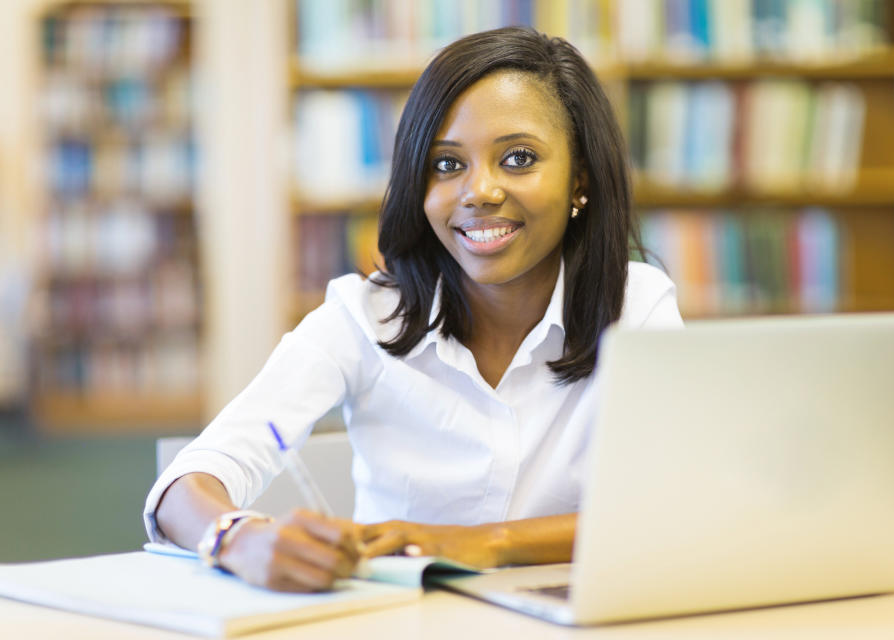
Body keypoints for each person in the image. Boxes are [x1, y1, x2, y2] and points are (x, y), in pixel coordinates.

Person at [145, 26, 683, 592]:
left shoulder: (637, 307)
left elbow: (674, 505)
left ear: (580, 180)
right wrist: (235, 537)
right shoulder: (363, 317)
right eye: (448, 165)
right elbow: (186, 484)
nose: (478, 192)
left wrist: (481, 543)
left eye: (518, 158)